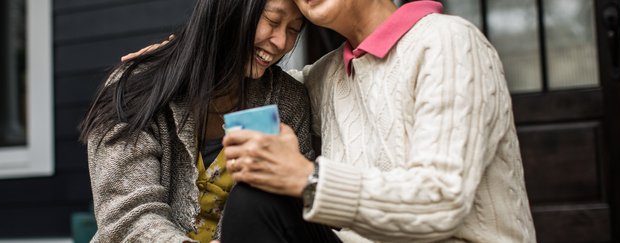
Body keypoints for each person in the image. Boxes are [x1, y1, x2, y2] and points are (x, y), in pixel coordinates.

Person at [218, 0, 537, 242]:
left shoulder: (448, 41)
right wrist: (173, 58)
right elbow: (249, 79)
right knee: (255, 200)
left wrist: (308, 179)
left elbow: (441, 201)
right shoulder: (327, 76)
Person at [79, 0, 339, 242]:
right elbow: (127, 220)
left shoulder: (286, 101)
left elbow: (293, 212)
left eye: (294, 30)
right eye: (272, 21)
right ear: (229, 9)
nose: (281, 42)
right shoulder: (137, 90)